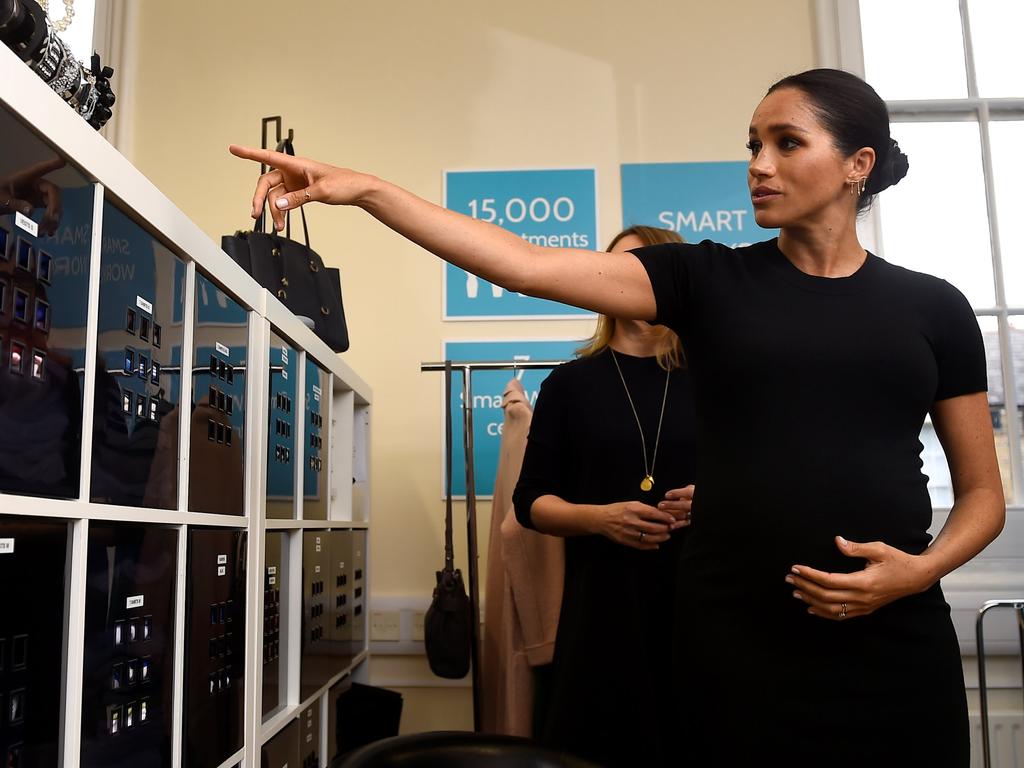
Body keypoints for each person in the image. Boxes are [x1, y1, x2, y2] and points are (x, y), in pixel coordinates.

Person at [230, 67, 1005, 765]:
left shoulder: (932, 308)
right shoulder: (709, 282)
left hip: (892, 642)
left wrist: (919, 571)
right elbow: (525, 264)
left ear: (856, 166)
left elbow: (982, 497)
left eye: (786, 142)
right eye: (753, 144)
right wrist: (369, 190)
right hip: (737, 647)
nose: (758, 165)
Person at [511, 224, 696, 767]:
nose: (629, 284)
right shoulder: (569, 385)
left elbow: (767, 486)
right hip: (601, 621)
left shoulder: (717, 379)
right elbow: (531, 501)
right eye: (616, 272)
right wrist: (598, 518)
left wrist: (716, 502)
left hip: (700, 619)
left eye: (645, 271)